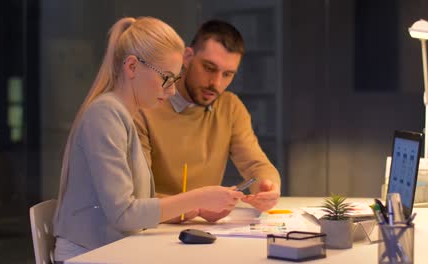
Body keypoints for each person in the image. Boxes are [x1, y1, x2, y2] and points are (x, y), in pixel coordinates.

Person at [53, 17, 244, 262]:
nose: (172, 90)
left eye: (174, 80)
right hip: (90, 255)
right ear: (132, 67)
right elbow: (124, 213)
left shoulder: (122, 116)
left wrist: (194, 208)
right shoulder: (105, 114)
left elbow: (137, 207)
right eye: (166, 78)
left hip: (110, 249)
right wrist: (201, 196)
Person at [134, 19, 281, 223]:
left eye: (228, 74)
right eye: (209, 68)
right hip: (149, 232)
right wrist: (197, 206)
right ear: (187, 57)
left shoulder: (230, 107)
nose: (216, 83)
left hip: (202, 233)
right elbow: (137, 200)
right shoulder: (147, 106)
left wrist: (268, 187)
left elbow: (256, 164)